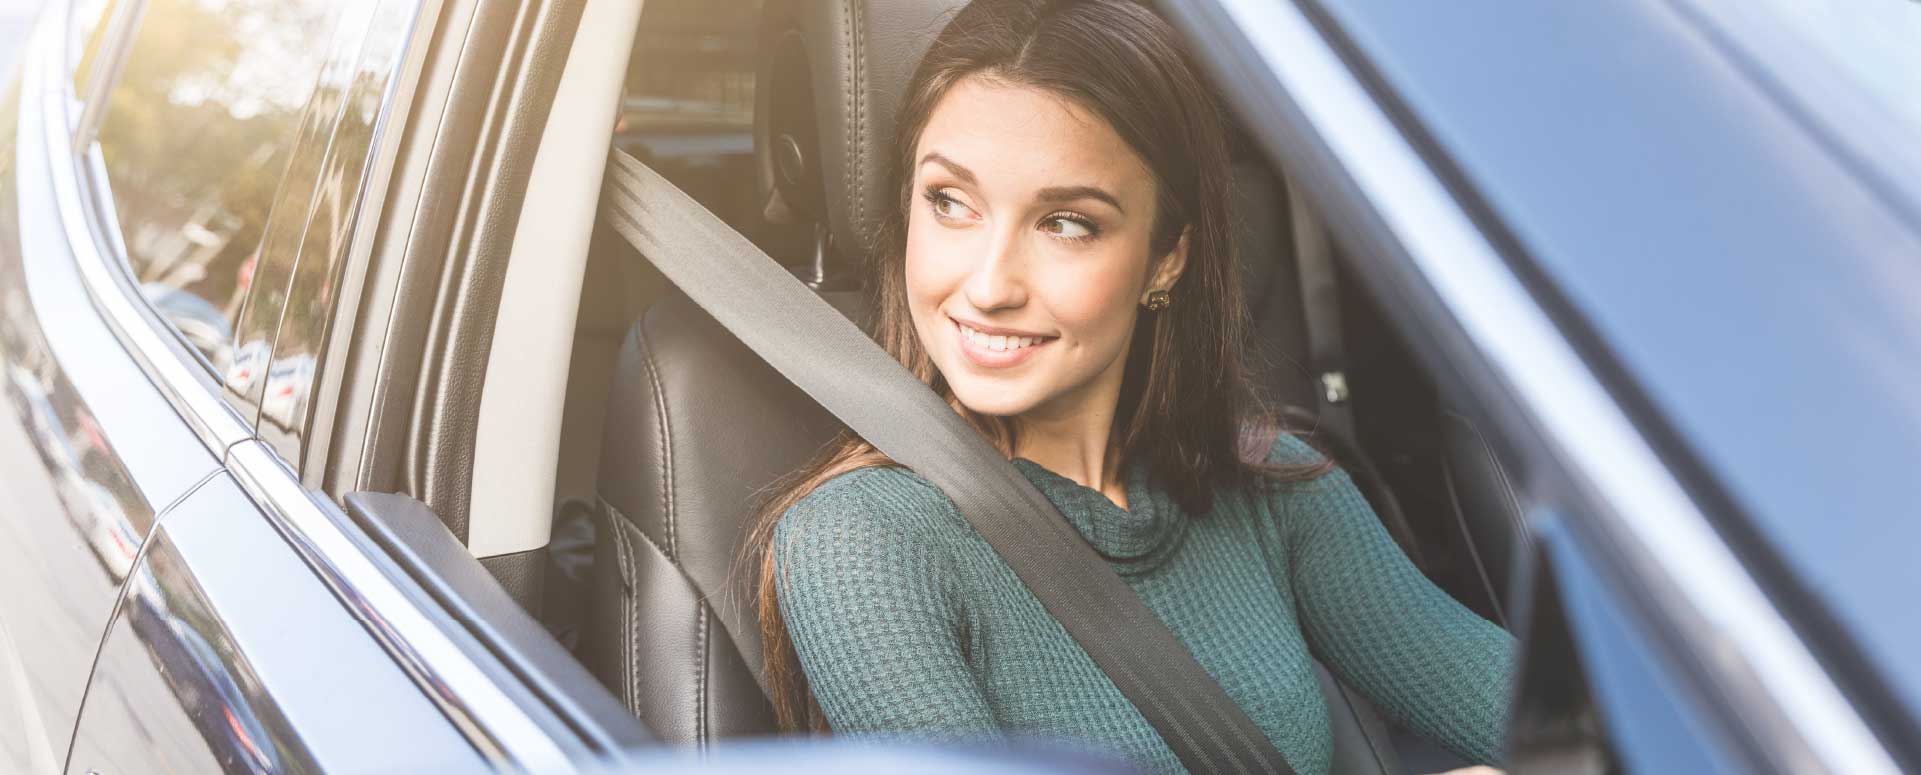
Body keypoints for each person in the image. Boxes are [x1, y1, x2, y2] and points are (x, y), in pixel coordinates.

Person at [740, 1, 1515, 772]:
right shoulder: (860, 538)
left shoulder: (1272, 489)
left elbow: (1553, 720)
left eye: (1066, 222)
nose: (988, 286)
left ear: (1165, 260)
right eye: (949, 202)